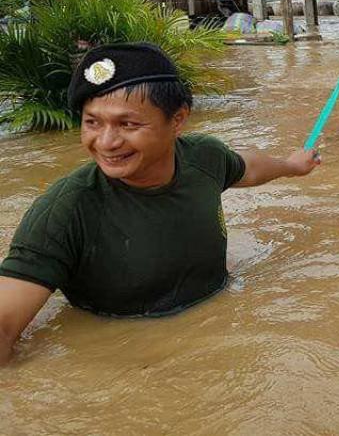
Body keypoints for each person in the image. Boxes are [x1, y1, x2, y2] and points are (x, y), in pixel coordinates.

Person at [0, 43, 320, 365]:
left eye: (128, 124)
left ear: (178, 120)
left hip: (218, 342)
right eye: (92, 122)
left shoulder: (203, 157)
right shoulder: (65, 211)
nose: (107, 142)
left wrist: (292, 166)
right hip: (129, 364)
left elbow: (246, 168)